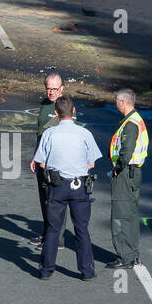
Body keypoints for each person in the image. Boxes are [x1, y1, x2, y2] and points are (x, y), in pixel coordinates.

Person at [32, 95, 102, 281]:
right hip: (79, 186)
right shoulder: (84, 134)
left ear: (56, 113)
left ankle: (46, 270)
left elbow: (41, 162)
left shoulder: (49, 133)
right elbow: (92, 163)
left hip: (57, 185)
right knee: (82, 229)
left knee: (53, 228)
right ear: (73, 111)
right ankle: (87, 271)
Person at [108, 88, 148, 269]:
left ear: (123, 102)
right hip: (133, 173)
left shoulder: (130, 124)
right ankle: (132, 254)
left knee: (121, 215)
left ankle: (125, 256)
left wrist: (117, 168)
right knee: (130, 214)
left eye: (116, 101)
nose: (115, 104)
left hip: (125, 174)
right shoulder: (136, 120)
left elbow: (126, 151)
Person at [29, 73, 70, 249]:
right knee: (45, 198)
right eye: (48, 88)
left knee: (56, 200)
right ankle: (48, 233)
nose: (51, 92)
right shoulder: (45, 104)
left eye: (55, 89)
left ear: (62, 88)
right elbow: (41, 132)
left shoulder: (65, 106)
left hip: (55, 162)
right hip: (41, 158)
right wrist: (36, 156)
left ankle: (57, 240)